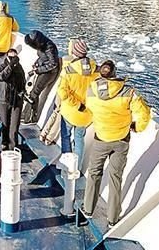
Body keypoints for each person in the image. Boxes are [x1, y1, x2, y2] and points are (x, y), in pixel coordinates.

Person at [82, 60, 151, 228]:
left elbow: (89, 107)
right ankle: (113, 219)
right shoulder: (128, 92)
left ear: (101, 74)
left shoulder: (92, 90)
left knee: (94, 173)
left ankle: (89, 209)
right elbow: (144, 113)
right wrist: (137, 127)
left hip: (101, 138)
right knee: (115, 177)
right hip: (121, 139)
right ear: (114, 73)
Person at [54, 38, 98, 167]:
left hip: (70, 112)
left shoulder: (68, 71)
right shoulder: (96, 70)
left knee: (66, 136)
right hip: (86, 115)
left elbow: (62, 92)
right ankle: (76, 168)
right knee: (79, 139)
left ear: (74, 53)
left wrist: (77, 105)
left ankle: (67, 165)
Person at [21, 30, 60, 124]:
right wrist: (37, 64)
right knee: (32, 92)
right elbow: (43, 58)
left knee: (34, 93)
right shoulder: (42, 46)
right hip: (43, 70)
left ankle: (31, 117)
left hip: (49, 73)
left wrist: (39, 69)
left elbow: (53, 63)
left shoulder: (49, 47)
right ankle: (26, 114)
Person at [0, 48, 26, 150]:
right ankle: (4, 144)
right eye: (11, 57)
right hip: (4, 99)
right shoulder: (3, 66)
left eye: (15, 57)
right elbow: (1, 77)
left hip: (16, 100)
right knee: (4, 123)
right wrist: (10, 66)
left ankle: (13, 147)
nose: (13, 59)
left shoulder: (20, 68)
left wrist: (22, 92)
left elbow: (22, 81)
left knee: (14, 126)